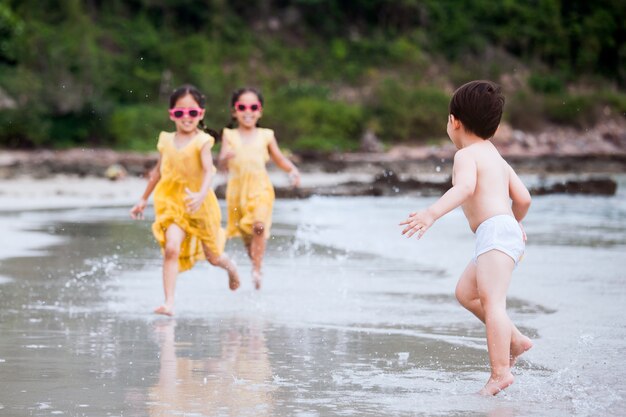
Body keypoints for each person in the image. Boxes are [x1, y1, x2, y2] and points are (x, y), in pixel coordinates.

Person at [399, 80, 533, 396]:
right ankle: (514, 339)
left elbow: (465, 189)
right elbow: (524, 198)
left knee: (492, 302)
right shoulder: (497, 158)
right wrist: (515, 222)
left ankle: (500, 373)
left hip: (496, 233)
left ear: (454, 121)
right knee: (465, 293)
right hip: (503, 231)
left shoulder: (466, 156)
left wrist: (431, 213)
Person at [130, 84, 240, 316]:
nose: (186, 117)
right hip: (172, 202)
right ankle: (169, 302)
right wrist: (143, 199)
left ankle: (231, 268)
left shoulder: (202, 142)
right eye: (180, 112)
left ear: (201, 114)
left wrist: (201, 194)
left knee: (213, 257)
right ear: (172, 115)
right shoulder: (165, 141)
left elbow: (209, 171)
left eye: (192, 112)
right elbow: (157, 173)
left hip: (200, 204)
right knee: (171, 248)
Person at [217, 87, 300, 290]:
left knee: (259, 226)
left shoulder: (266, 135)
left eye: (253, 107)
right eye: (242, 107)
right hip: (237, 193)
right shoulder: (229, 134)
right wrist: (223, 159)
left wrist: (292, 170)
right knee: (248, 237)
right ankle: (255, 265)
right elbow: (221, 163)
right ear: (234, 112)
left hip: (261, 188)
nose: (248, 111)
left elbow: (278, 158)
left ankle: (257, 269)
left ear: (260, 111)